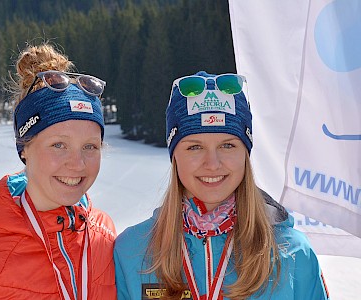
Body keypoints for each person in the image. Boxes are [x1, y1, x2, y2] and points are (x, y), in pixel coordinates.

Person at [114, 71, 330, 299]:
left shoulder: (292, 253)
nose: (212, 164)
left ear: (245, 155)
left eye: (228, 145)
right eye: (194, 147)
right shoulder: (132, 250)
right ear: (174, 155)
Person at [0, 43, 116, 299]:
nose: (77, 164)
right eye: (58, 145)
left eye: (89, 146)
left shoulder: (105, 233)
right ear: (24, 148)